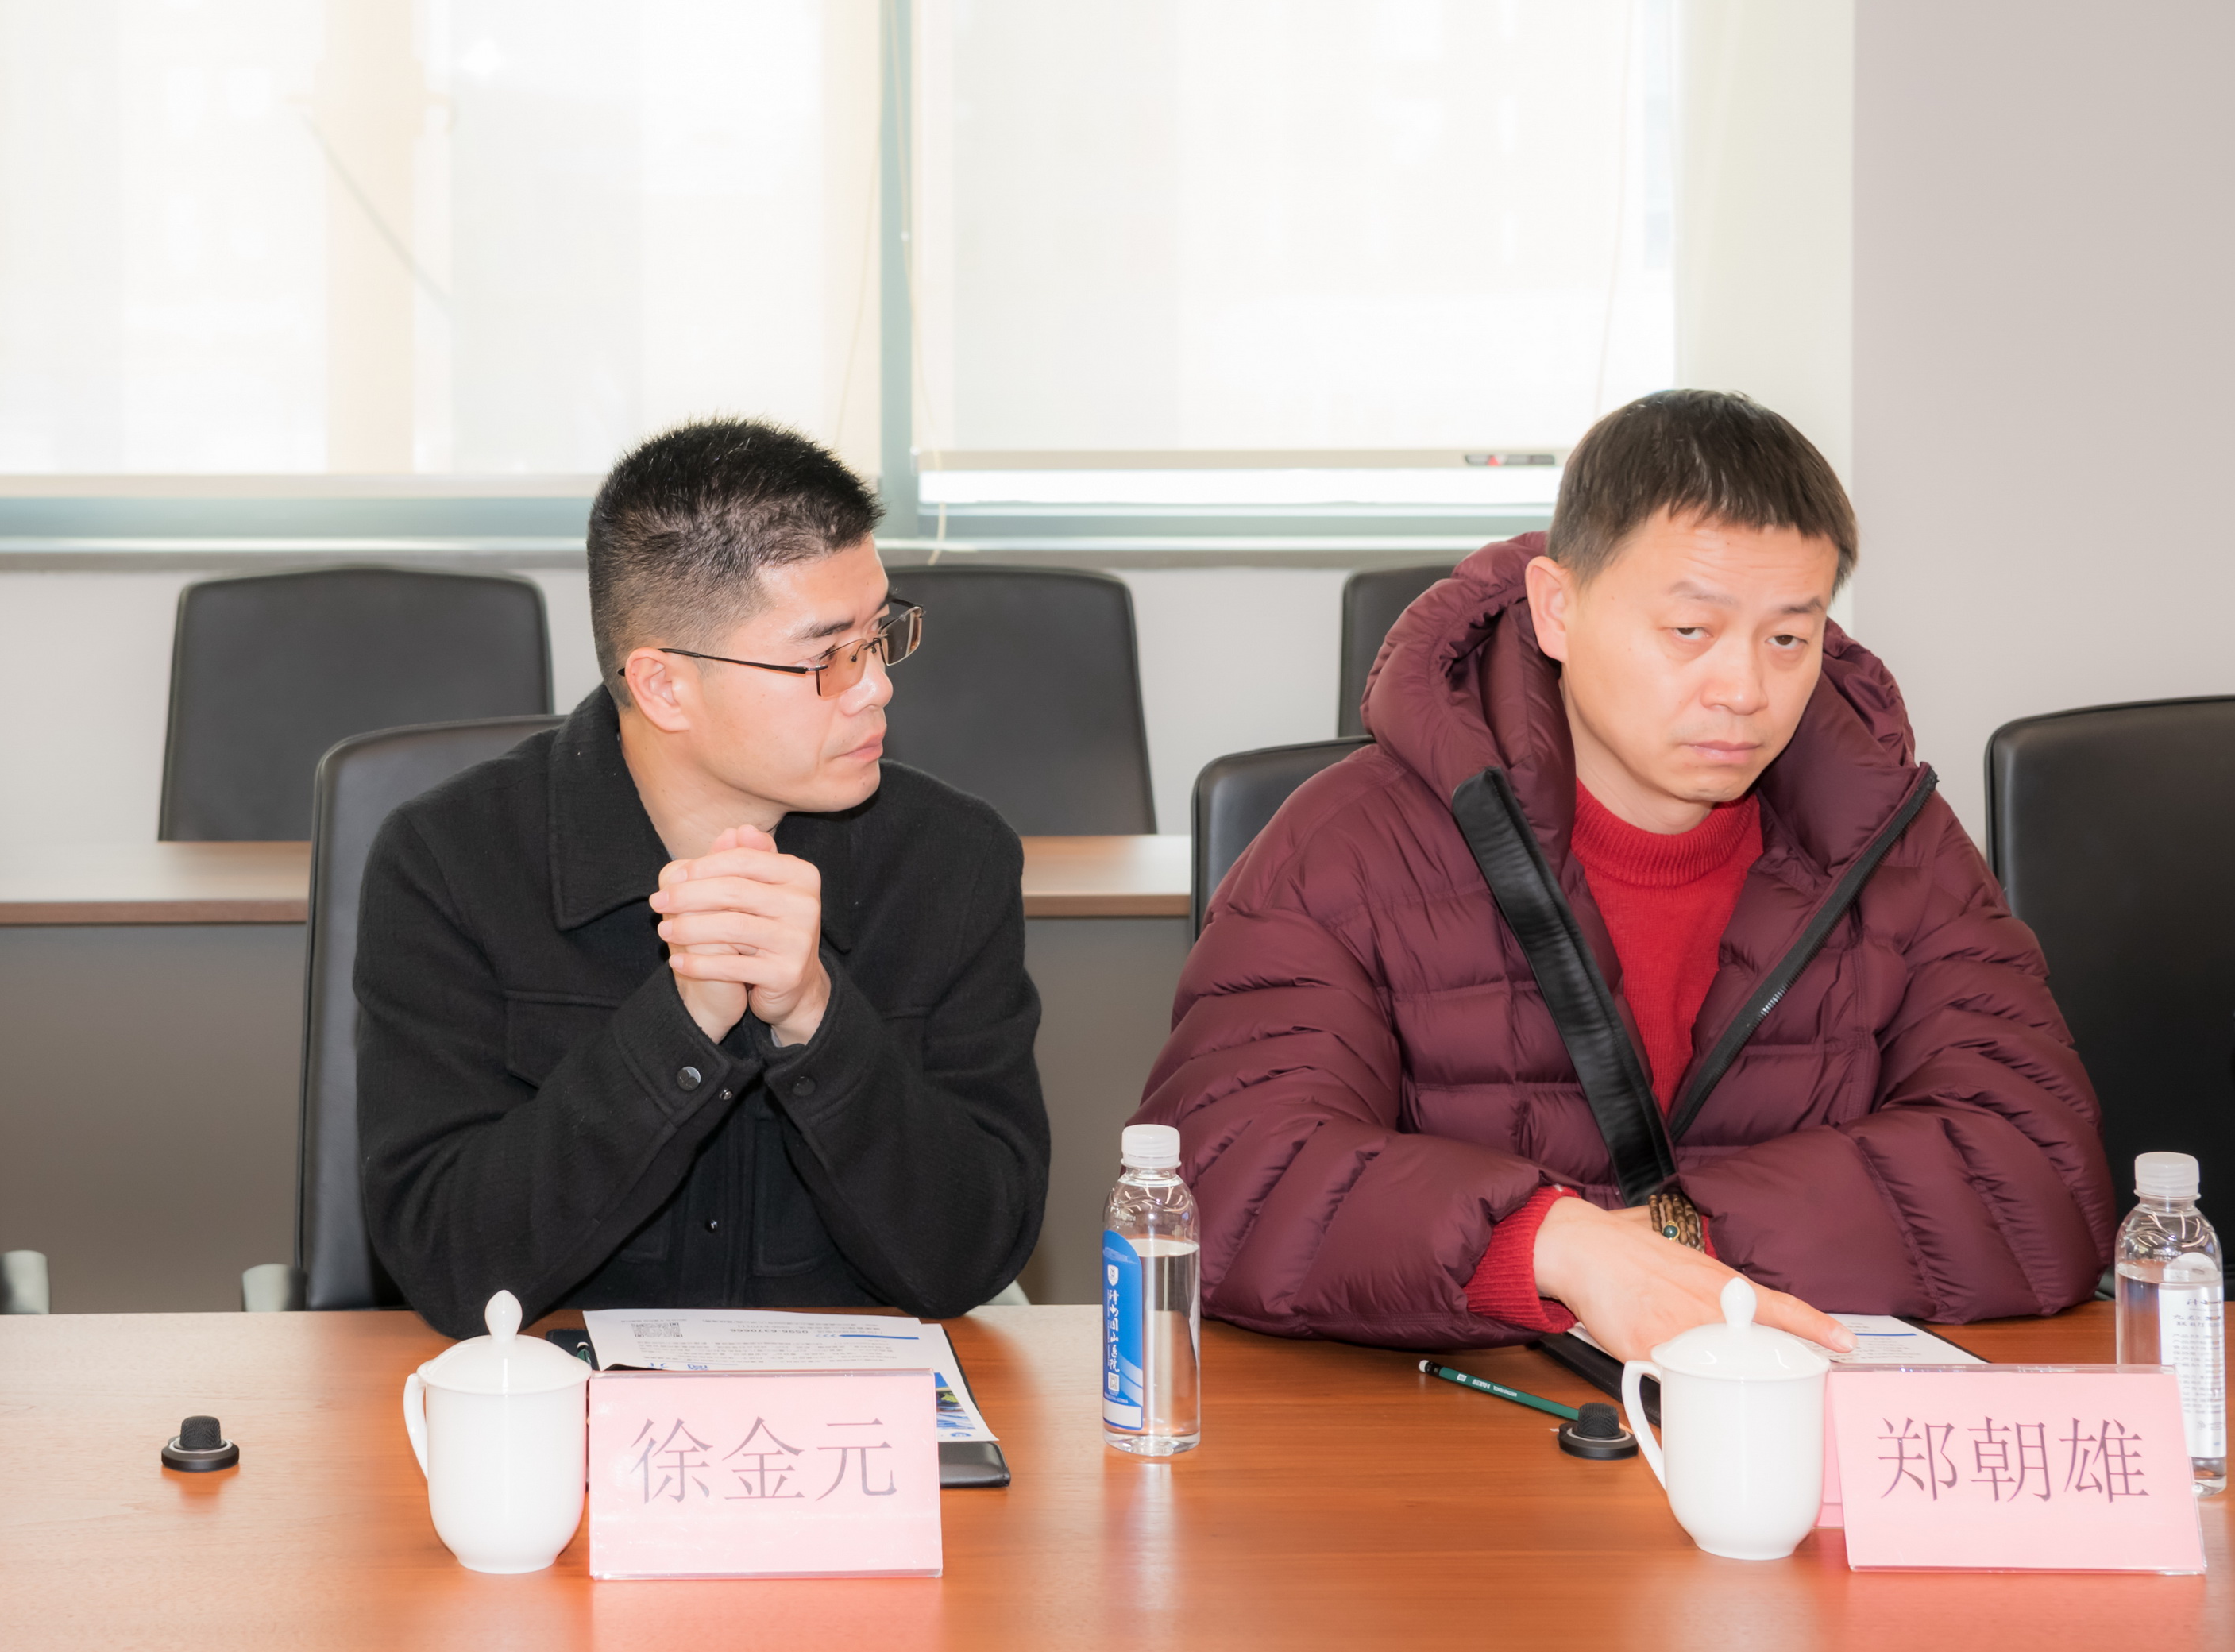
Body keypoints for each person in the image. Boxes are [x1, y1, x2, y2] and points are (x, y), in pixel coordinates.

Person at [1139, 391, 2111, 1362]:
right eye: (1689, 631)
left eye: (1787, 638)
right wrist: (1550, 1246)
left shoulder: (1897, 845)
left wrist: (1676, 1240)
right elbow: (1223, 1172)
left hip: (1786, 1406)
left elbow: (2040, 1173)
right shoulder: (1350, 842)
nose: (1744, 691)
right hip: (1469, 1423)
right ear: (1557, 610)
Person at [357, 419, 1048, 1337]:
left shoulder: (953, 861)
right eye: (826, 656)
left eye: (879, 634)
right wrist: (679, 1027)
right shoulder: (450, 861)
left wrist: (817, 1020)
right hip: (559, 1405)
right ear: (663, 687)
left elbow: (973, 1257)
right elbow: (452, 1266)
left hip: (846, 1410)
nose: (875, 685)